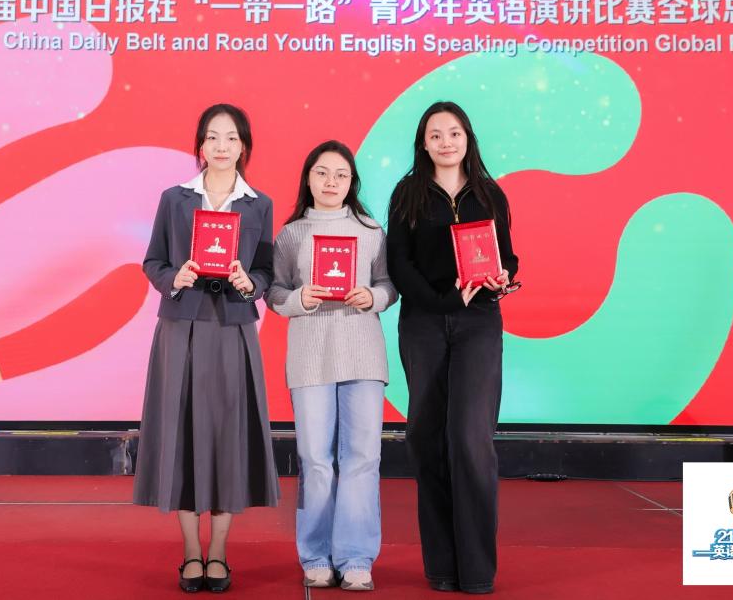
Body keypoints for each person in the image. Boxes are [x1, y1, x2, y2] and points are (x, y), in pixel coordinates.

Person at [135, 103, 279, 593]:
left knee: (225, 436)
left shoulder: (258, 204)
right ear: (200, 145)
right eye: (213, 137)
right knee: (182, 433)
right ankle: (191, 552)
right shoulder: (174, 199)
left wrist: (250, 283)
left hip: (232, 328)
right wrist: (173, 277)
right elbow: (153, 261)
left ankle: (218, 551)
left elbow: (265, 272)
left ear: (244, 146)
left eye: (231, 137)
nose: (222, 146)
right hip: (181, 327)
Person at [386, 102, 518, 595]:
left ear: (468, 138)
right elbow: (399, 264)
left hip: (478, 323)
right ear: (423, 143)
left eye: (454, 132)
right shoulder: (408, 194)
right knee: (427, 438)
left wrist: (503, 278)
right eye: (436, 134)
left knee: (470, 439)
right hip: (423, 323)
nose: (446, 142)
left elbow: (507, 255)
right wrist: (442, 301)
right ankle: (441, 566)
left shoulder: (489, 193)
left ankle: (478, 570)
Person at [268, 140, 397, 592]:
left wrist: (373, 296)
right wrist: (298, 299)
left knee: (363, 458)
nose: (330, 182)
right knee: (315, 460)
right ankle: (316, 555)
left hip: (363, 354)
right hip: (310, 357)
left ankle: (356, 558)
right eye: (322, 173)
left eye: (341, 175)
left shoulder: (370, 230)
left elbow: (388, 284)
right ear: (308, 178)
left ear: (352, 182)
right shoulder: (291, 234)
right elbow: (274, 292)